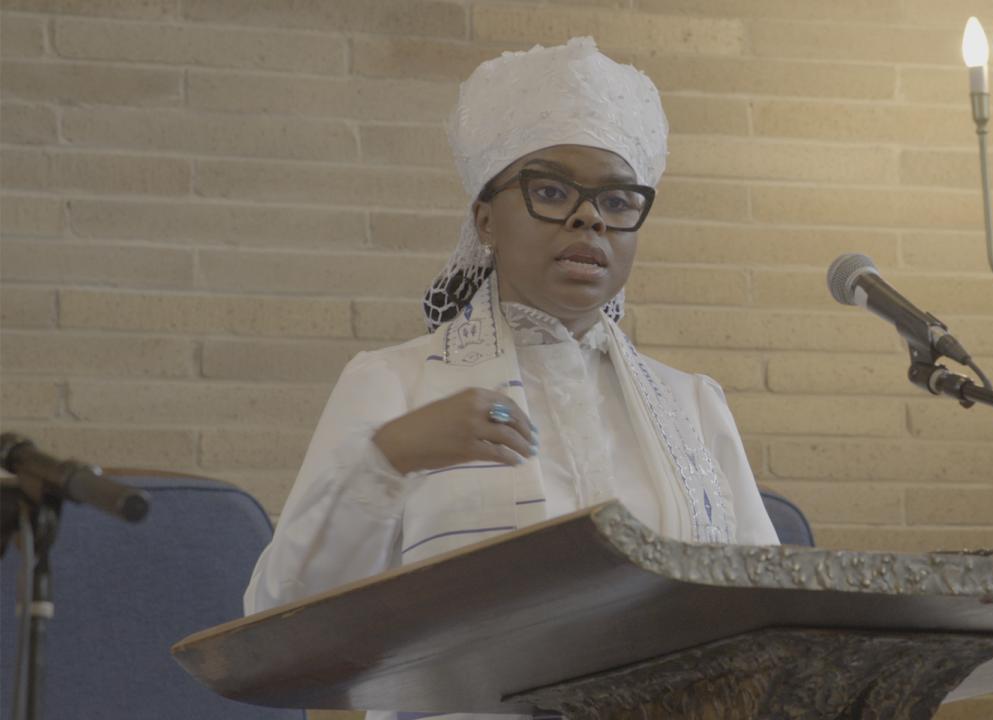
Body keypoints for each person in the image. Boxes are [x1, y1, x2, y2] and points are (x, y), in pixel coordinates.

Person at [243, 37, 780, 718]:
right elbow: (281, 621)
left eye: (617, 201)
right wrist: (391, 457)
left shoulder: (693, 405)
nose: (590, 217)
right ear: (485, 220)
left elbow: (770, 624)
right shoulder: (394, 385)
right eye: (551, 190)